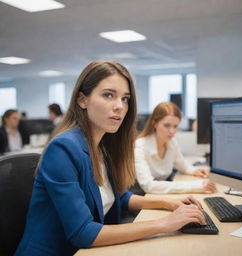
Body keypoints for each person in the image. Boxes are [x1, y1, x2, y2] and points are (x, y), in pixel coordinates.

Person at [15, 61, 206, 256]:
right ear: (82, 100)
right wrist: (164, 224)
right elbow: (83, 233)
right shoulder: (63, 149)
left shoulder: (103, 146)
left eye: (125, 98)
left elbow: (120, 198)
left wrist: (169, 203)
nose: (119, 106)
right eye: (108, 95)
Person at [134, 102, 216, 194]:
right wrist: (194, 186)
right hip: (141, 196)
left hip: (160, 194)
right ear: (155, 123)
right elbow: (149, 186)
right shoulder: (140, 146)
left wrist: (195, 170)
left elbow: (184, 167)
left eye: (175, 126)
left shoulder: (171, 143)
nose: (172, 131)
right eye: (167, 125)